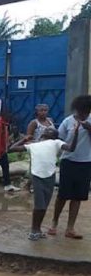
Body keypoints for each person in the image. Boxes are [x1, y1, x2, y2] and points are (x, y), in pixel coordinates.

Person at [11, 127, 80, 240]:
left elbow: (71, 148)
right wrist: (24, 140)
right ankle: (34, 230)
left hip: (49, 176)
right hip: (37, 176)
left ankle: (37, 229)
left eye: (50, 132)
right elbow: (12, 149)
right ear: (43, 135)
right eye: (47, 131)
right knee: (40, 205)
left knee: (43, 206)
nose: (48, 132)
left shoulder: (56, 143)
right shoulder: (34, 145)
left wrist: (76, 133)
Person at [49, 95, 91, 239]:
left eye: (86, 111)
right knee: (62, 195)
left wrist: (89, 128)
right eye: (81, 111)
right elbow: (58, 140)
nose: (83, 114)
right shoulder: (68, 121)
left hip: (86, 163)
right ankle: (54, 223)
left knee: (78, 197)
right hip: (68, 161)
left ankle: (70, 228)